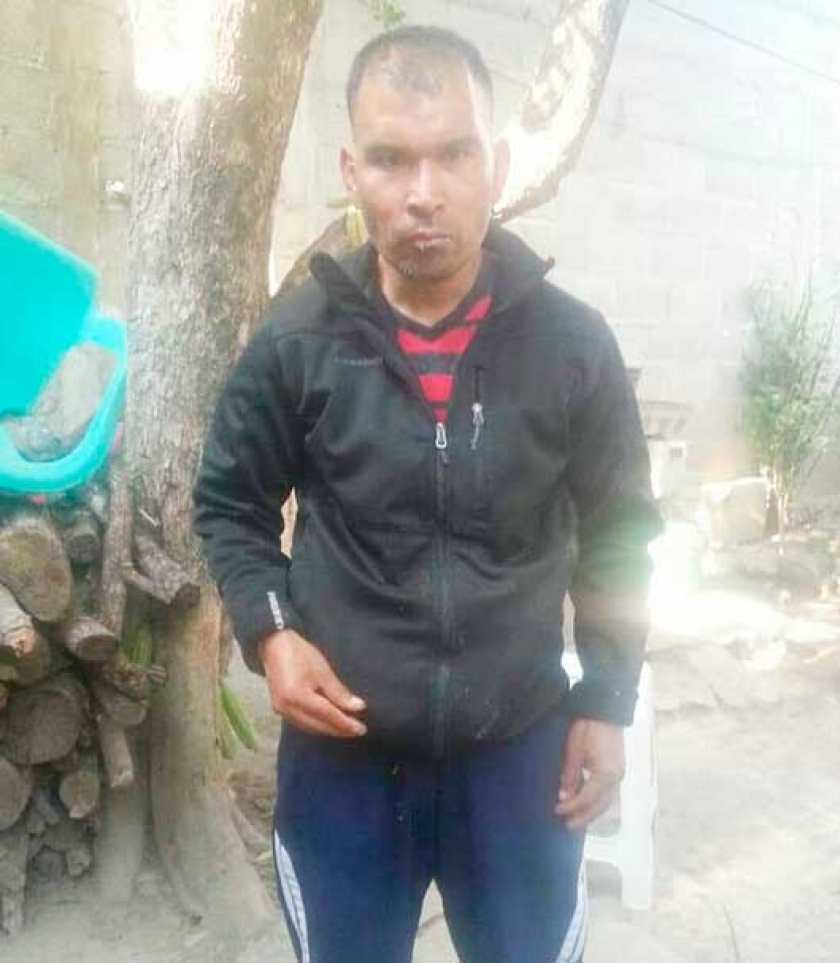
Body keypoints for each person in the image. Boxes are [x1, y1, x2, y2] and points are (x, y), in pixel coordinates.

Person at [194, 25, 661, 963]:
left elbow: (618, 535)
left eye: (454, 155)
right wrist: (272, 632)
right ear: (351, 171)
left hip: (519, 757)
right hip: (345, 761)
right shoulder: (297, 342)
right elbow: (231, 502)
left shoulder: (573, 347)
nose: (423, 192)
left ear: (496, 164)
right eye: (390, 159)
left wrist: (608, 699)